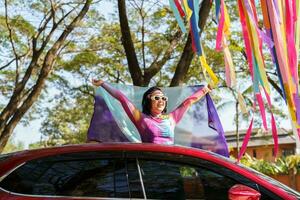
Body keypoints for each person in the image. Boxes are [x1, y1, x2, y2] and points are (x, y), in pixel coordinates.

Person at [92, 79, 211, 144]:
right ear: (148, 100)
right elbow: (123, 99)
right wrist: (103, 84)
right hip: (151, 166)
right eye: (157, 98)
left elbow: (188, 102)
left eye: (163, 98)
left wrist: (205, 90)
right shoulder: (141, 118)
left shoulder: (171, 118)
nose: (161, 100)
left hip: (171, 164)